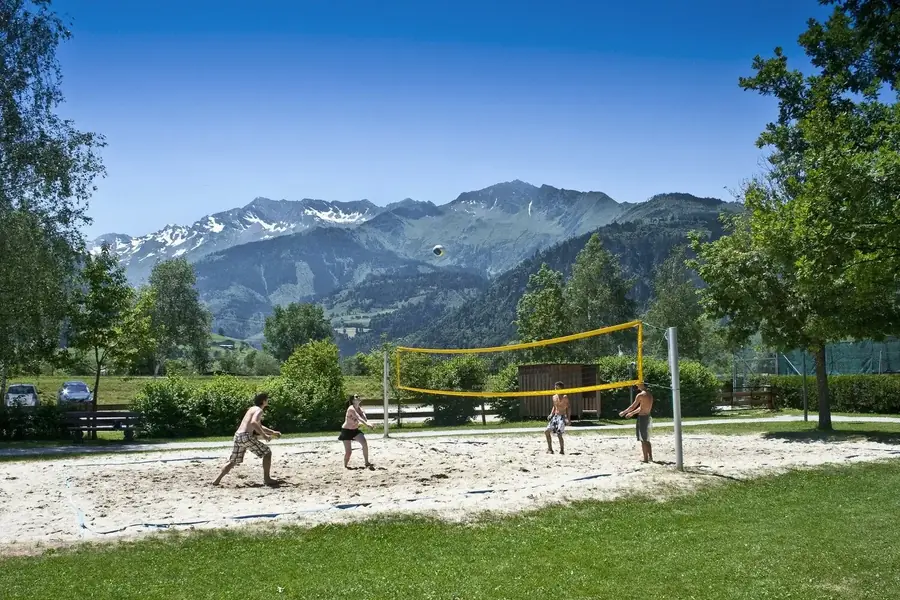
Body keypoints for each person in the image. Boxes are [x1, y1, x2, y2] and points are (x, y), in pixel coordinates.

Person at [213, 392, 281, 486]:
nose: (268, 401)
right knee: (267, 452)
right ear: (263, 401)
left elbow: (259, 425)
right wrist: (264, 435)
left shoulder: (252, 409)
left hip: (238, 436)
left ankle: (217, 480)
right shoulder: (259, 410)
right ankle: (267, 479)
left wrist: (273, 432)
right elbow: (254, 423)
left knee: (233, 461)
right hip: (245, 436)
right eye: (267, 399)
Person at [619, 382, 654, 463]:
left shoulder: (640, 395)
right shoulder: (649, 394)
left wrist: (623, 412)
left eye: (638, 384)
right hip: (648, 417)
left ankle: (646, 459)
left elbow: (633, 406)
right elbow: (641, 408)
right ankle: (650, 458)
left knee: (643, 439)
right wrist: (631, 413)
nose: (637, 385)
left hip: (643, 418)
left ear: (642, 384)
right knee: (646, 439)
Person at [339, 394, 374, 469]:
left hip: (355, 430)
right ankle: (345, 465)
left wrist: (369, 423)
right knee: (349, 452)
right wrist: (367, 425)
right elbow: (358, 418)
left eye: (358, 396)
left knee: (364, 443)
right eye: (356, 397)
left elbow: (364, 418)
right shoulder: (351, 408)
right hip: (346, 431)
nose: (358, 397)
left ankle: (366, 462)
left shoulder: (360, 409)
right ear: (353, 400)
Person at [544, 381, 569, 455]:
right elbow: (554, 407)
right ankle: (550, 449)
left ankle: (562, 450)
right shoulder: (554, 397)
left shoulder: (565, 397)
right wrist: (551, 414)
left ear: (561, 388)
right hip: (555, 416)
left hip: (562, 416)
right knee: (546, 431)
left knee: (559, 434)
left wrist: (568, 418)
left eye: (557, 388)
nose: (555, 389)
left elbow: (569, 407)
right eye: (555, 387)